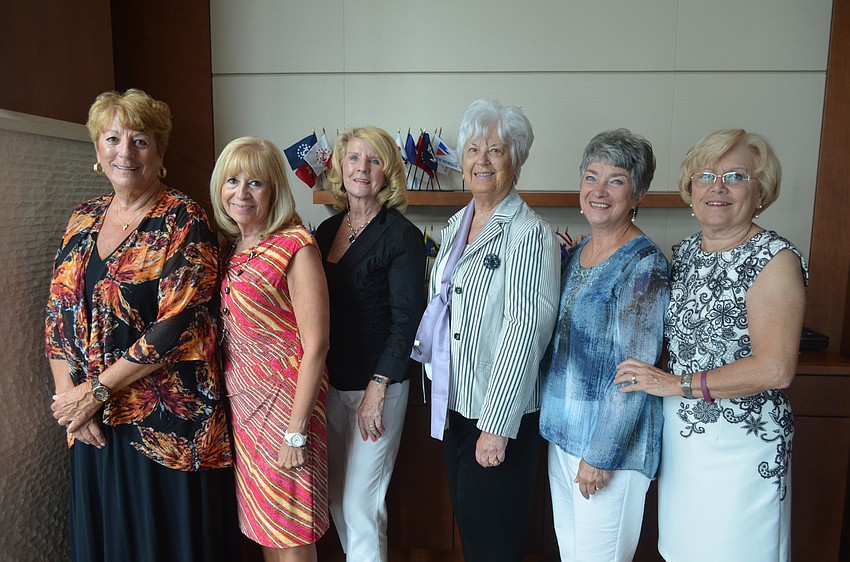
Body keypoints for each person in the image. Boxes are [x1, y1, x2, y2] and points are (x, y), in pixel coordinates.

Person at [47, 89, 240, 562]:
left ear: (160, 152)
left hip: (167, 429)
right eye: (113, 139)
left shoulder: (184, 219)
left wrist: (95, 393)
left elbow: (176, 327)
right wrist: (72, 404)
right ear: (97, 150)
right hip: (95, 426)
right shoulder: (83, 218)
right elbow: (57, 316)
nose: (125, 152)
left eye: (140, 141)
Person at [615, 129, 807, 562]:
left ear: (761, 190)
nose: (717, 187)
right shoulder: (684, 254)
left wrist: (674, 384)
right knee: (682, 550)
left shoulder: (775, 258)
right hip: (684, 446)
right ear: (690, 189)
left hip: (744, 448)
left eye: (735, 176)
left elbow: (775, 368)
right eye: (705, 175)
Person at [411, 98, 560, 561]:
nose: (482, 160)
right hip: (457, 407)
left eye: (495, 151)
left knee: (493, 544)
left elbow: (523, 329)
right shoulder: (459, 222)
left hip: (497, 416)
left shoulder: (528, 232)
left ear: (515, 161)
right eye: (473, 149)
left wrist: (495, 428)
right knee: (474, 535)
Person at [538, 129, 669, 561]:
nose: (599, 190)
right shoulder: (577, 255)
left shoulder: (644, 265)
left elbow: (636, 372)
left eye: (615, 180)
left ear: (638, 195)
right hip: (563, 438)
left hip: (608, 451)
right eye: (591, 176)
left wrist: (601, 456)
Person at [210, 136, 330, 562]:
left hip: (286, 406)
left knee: (292, 529)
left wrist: (296, 431)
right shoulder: (232, 247)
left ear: (275, 190)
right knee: (265, 528)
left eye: (255, 183)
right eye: (232, 180)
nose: (241, 193)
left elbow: (316, 346)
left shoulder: (295, 245)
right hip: (245, 408)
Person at [314, 126, 425, 562]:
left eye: (374, 160)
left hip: (378, 388)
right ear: (341, 168)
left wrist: (377, 390)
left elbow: (406, 322)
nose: (363, 168)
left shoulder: (401, 236)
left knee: (362, 506)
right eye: (355, 158)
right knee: (338, 501)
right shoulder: (324, 232)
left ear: (388, 173)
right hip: (332, 386)